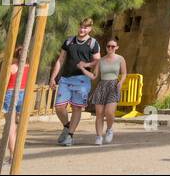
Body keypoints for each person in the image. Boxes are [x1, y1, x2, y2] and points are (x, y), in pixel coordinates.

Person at [50, 18, 99, 146]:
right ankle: (67, 126)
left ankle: (70, 136)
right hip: (66, 79)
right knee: (59, 107)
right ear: (78, 27)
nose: (82, 30)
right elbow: (60, 60)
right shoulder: (69, 41)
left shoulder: (93, 43)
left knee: (77, 108)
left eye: (86, 27)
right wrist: (53, 77)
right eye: (81, 27)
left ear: (90, 29)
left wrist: (87, 64)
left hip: (82, 80)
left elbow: (97, 61)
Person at [90, 37, 127, 146]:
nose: (110, 48)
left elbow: (124, 73)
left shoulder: (120, 59)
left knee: (109, 112)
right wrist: (84, 68)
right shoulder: (101, 60)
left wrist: (121, 82)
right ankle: (98, 136)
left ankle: (109, 129)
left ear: (117, 47)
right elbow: (95, 75)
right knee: (99, 113)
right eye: (108, 46)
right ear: (106, 47)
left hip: (113, 85)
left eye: (112, 46)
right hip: (102, 85)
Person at [1, 47, 29, 161]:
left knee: (10, 127)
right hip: (23, 94)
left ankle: (13, 155)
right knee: (16, 126)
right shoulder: (29, 68)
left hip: (12, 94)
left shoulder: (12, 68)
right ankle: (1, 153)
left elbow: (3, 84)